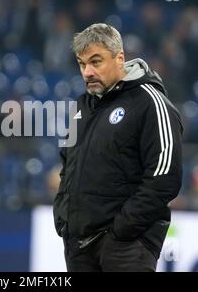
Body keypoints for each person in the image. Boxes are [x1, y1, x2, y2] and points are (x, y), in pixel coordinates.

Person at [53, 23, 183, 272]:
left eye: (96, 61)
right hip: (78, 246)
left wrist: (122, 229)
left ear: (120, 58)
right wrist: (64, 218)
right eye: (82, 64)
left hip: (126, 246)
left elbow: (165, 176)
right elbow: (67, 167)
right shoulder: (82, 107)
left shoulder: (150, 102)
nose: (87, 72)